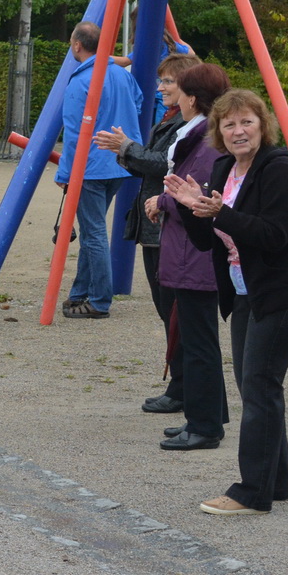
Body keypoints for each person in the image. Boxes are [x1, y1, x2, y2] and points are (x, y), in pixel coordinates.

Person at [166, 89, 288, 515]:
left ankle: (252, 492)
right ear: (218, 131)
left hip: (283, 291)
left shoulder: (280, 168)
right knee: (256, 387)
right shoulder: (222, 168)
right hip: (244, 289)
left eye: (246, 122)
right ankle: (276, 482)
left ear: (261, 125)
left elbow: (275, 235)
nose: (238, 131)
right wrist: (192, 207)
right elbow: (206, 240)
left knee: (259, 387)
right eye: (229, 124)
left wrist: (220, 214)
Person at [93, 52, 202, 411]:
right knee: (166, 309)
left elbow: (164, 165)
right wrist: (128, 150)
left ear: (188, 86)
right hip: (155, 227)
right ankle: (180, 385)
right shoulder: (172, 119)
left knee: (175, 312)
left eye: (168, 81)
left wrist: (126, 148)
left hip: (167, 227)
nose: (160, 87)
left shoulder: (190, 125)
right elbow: (153, 166)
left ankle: (184, 389)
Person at [145, 62, 233, 450]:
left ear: (193, 97)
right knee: (198, 338)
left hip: (193, 253)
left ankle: (205, 424)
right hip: (189, 250)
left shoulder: (204, 141)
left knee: (199, 340)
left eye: (178, 90)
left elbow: (197, 194)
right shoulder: (200, 136)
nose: (173, 97)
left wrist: (163, 199)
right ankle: (204, 416)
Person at [56, 21, 138, 316]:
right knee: (95, 231)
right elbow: (139, 103)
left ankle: (99, 301)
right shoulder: (120, 74)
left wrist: (64, 174)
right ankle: (80, 292)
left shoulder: (81, 81)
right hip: (120, 162)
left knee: (94, 234)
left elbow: (74, 133)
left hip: (91, 167)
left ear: (77, 44)